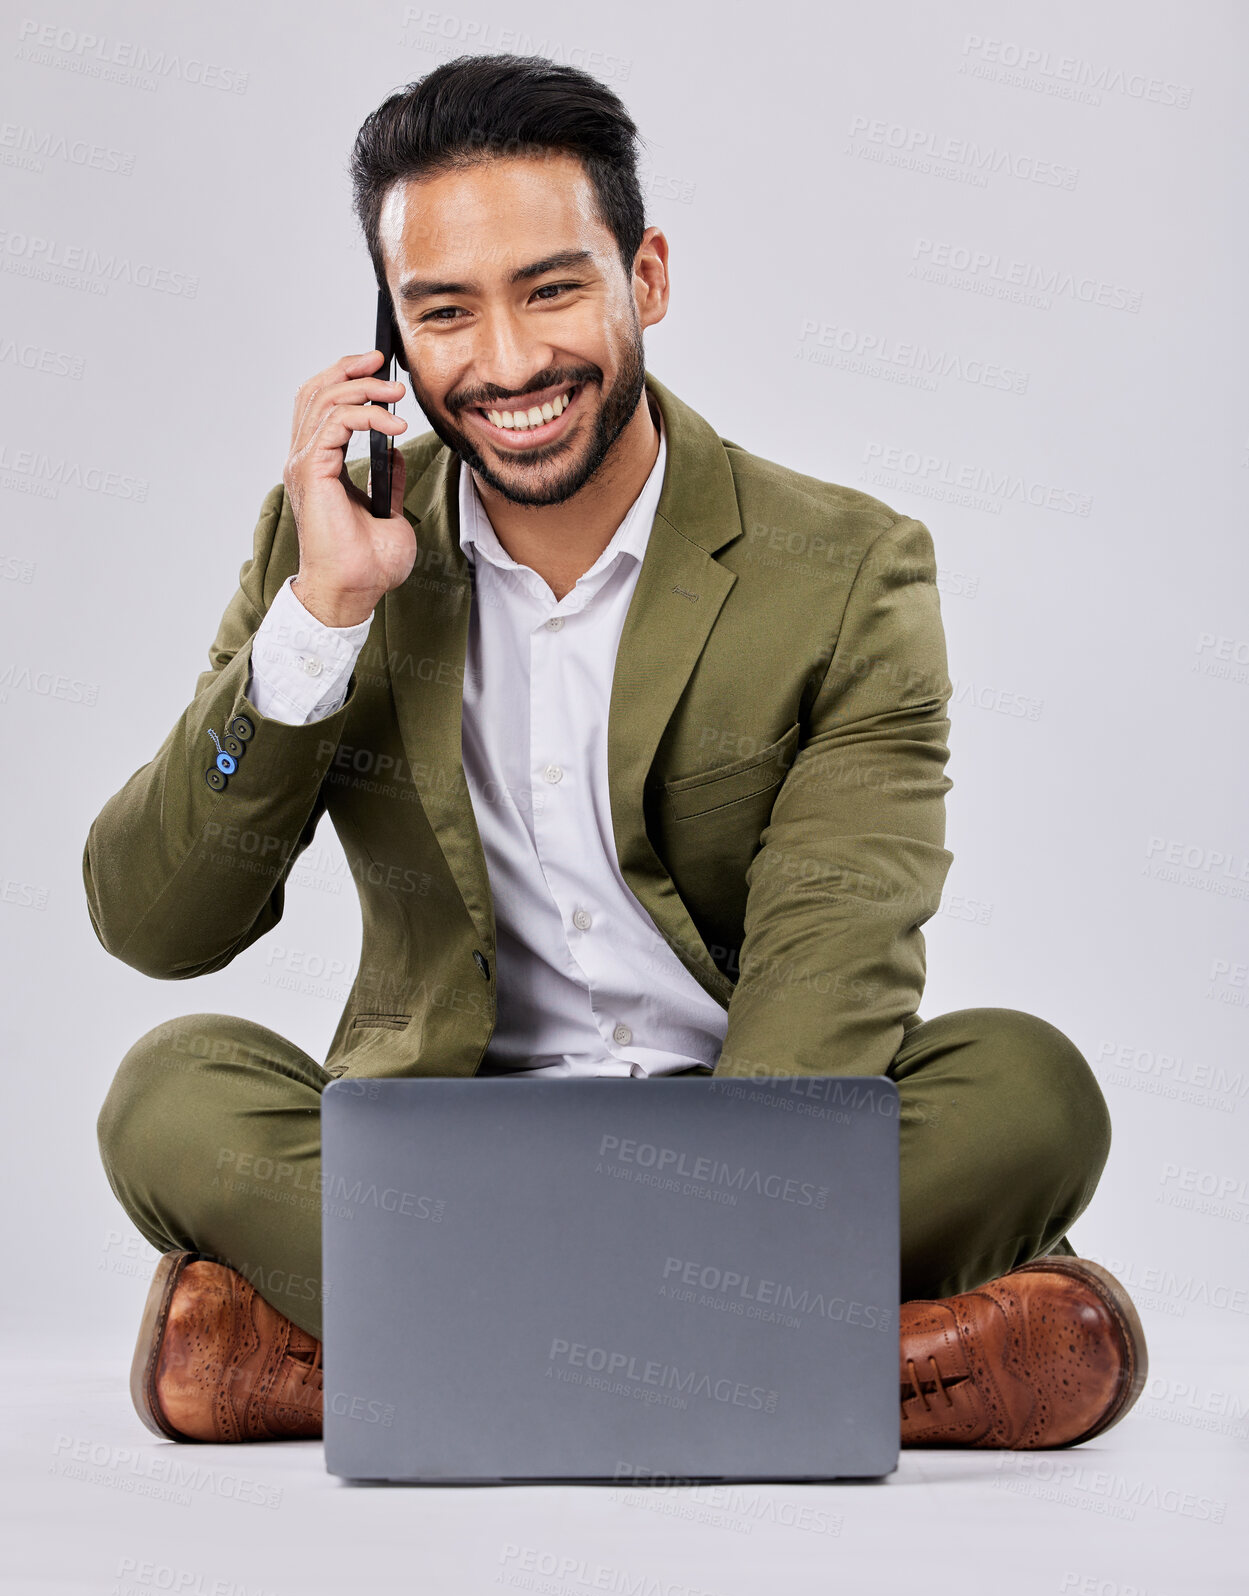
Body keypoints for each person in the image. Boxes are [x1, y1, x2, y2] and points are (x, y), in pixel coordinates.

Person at [88, 53, 1145, 1450]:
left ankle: (356, 1369)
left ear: (643, 277)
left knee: (1026, 1089)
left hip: (754, 1138)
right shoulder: (326, 549)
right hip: (445, 1149)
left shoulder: (847, 568)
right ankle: (858, 1368)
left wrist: (713, 1222)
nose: (509, 362)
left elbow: (838, 945)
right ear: (387, 340)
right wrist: (322, 613)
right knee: (171, 1088)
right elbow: (156, 924)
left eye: (552, 288)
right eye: (442, 311)